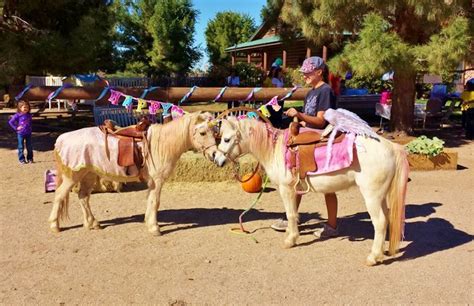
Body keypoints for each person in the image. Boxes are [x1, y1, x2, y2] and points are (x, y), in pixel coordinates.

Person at [271, 56, 339, 239]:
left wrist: (299, 114)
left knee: (328, 185)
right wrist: (296, 119)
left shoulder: (325, 91)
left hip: (320, 138)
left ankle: (332, 225)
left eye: (308, 72)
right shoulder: (311, 93)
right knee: (297, 177)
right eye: (305, 73)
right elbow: (308, 117)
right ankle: (292, 217)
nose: (305, 76)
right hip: (307, 136)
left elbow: (320, 121)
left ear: (319, 72)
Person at [9, 100, 34, 164]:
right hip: (20, 134)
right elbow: (10, 122)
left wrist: (30, 128)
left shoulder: (29, 115)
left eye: (27, 107)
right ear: (20, 108)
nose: (26, 108)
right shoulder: (18, 115)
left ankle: (30, 159)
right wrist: (16, 128)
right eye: (24, 107)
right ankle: (21, 159)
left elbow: (30, 123)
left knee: (29, 147)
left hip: (28, 133)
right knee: (21, 147)